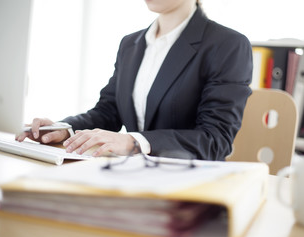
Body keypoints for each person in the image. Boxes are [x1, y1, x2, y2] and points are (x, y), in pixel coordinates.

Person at [17, 0, 253, 161]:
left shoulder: (228, 45)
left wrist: (133, 142)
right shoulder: (130, 44)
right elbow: (108, 112)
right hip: (131, 176)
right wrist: (65, 130)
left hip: (191, 185)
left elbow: (216, 139)